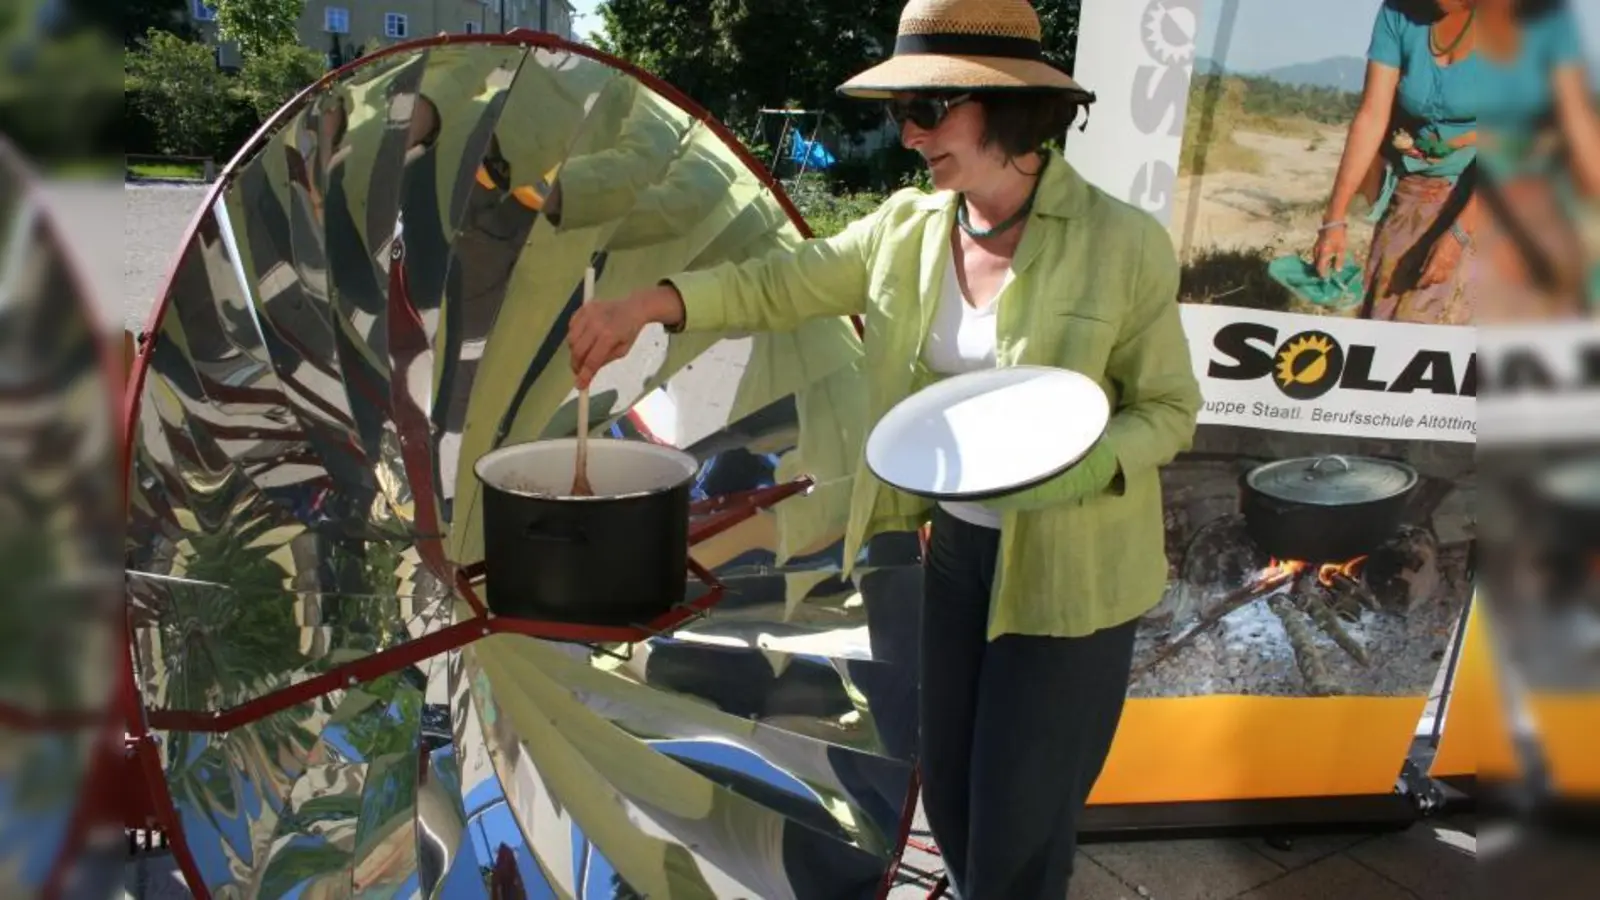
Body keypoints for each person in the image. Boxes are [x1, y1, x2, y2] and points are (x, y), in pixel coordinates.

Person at [566, 1, 1201, 897]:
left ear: (1005, 108)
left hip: (1071, 575)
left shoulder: (1122, 244)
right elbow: (779, 283)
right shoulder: (907, 229)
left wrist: (1083, 464)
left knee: (1020, 820)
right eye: (898, 111)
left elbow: (1171, 408)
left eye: (927, 109)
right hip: (946, 560)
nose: (907, 133)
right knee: (949, 795)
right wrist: (646, 304)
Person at [1315, 0, 1483, 325]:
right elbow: (1371, 116)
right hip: (1416, 187)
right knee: (1384, 319)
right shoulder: (1399, 12)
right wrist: (1334, 218)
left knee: (1443, 330)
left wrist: (1458, 235)